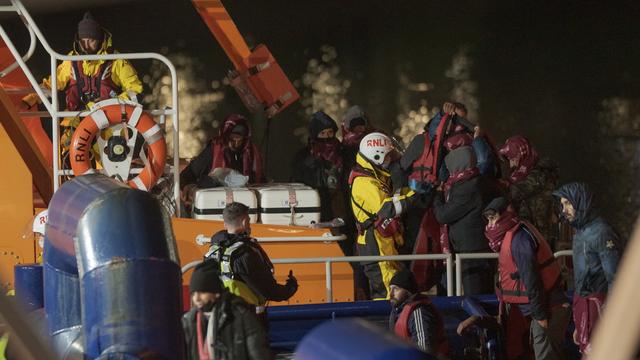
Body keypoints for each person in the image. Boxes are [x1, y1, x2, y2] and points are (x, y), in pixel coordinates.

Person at [22, 12, 143, 163]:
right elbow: (50, 84)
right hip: (75, 122)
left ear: (99, 40)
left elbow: (136, 89)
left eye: (91, 40)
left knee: (110, 156)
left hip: (107, 122)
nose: (86, 45)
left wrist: (112, 102)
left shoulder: (115, 61)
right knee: (66, 155)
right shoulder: (71, 61)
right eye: (83, 40)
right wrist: (27, 101)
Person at [482, 197, 569, 360]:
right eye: (488, 220)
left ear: (506, 215)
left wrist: (540, 316)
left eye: (493, 218)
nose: (490, 225)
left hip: (548, 308)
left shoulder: (519, 239)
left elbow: (532, 279)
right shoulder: (514, 234)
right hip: (539, 308)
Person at [553, 182, 622, 356]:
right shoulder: (580, 233)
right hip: (584, 306)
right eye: (562, 205)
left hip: (599, 305)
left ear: (581, 202)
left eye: (568, 203)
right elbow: (581, 278)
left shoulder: (601, 232)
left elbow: (615, 277)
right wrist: (580, 323)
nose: (564, 210)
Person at [205, 202, 297, 324]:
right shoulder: (244, 254)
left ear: (225, 223)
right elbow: (268, 290)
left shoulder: (213, 251)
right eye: (248, 220)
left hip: (219, 319)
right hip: (248, 321)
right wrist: (291, 287)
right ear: (244, 222)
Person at [348, 132, 415, 299]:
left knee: (393, 287)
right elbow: (387, 208)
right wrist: (415, 195)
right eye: (388, 155)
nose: (391, 159)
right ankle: (386, 324)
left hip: (383, 243)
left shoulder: (374, 175)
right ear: (376, 156)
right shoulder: (365, 182)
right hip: (375, 244)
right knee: (388, 293)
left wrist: (411, 190)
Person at [433, 145, 497, 295]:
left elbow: (443, 215)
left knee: (475, 296)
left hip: (471, 251)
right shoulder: (480, 180)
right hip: (481, 247)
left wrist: (437, 196)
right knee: (485, 293)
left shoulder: (467, 187)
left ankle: (478, 319)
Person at [182, 259, 271, 360]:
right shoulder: (188, 321)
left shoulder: (240, 316)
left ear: (216, 292)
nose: (196, 299)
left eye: (202, 293)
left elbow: (259, 354)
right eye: (193, 293)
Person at [180, 114, 264, 206]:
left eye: (239, 140)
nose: (235, 144)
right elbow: (187, 175)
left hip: (245, 203)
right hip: (215, 204)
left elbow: (259, 180)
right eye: (232, 139)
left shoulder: (251, 153)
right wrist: (191, 188)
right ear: (225, 135)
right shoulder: (214, 150)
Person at [499, 135, 561, 250]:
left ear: (522, 154)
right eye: (508, 159)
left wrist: (501, 185)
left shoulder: (539, 174)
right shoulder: (521, 174)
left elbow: (517, 192)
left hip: (540, 233)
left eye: (513, 158)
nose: (511, 164)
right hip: (531, 231)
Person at [388, 269, 449, 358]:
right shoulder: (398, 309)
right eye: (390, 289)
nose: (391, 294)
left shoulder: (419, 312)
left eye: (396, 289)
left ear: (408, 291)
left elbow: (424, 350)